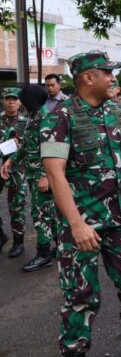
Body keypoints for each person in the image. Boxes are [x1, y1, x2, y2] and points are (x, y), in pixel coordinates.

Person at [40, 51, 121, 356]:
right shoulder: (59, 117)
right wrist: (77, 224)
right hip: (80, 224)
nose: (113, 78)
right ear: (88, 77)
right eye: (107, 72)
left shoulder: (120, 111)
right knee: (81, 295)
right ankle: (74, 351)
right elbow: (55, 174)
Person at [1, 85, 57, 272]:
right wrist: (11, 160)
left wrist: (44, 175)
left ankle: (43, 254)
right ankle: (58, 247)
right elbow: (26, 144)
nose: (19, 102)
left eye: (22, 99)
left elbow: (52, 148)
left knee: (40, 214)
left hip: (43, 175)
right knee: (47, 211)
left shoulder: (46, 118)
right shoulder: (33, 116)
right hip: (32, 173)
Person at [0, 87, 28, 258]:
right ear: (3, 100)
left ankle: (18, 242)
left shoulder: (26, 121)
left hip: (17, 169)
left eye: (15, 99)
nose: (11, 102)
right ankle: (1, 235)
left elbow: (28, 146)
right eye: (8, 99)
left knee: (17, 205)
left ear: (20, 102)